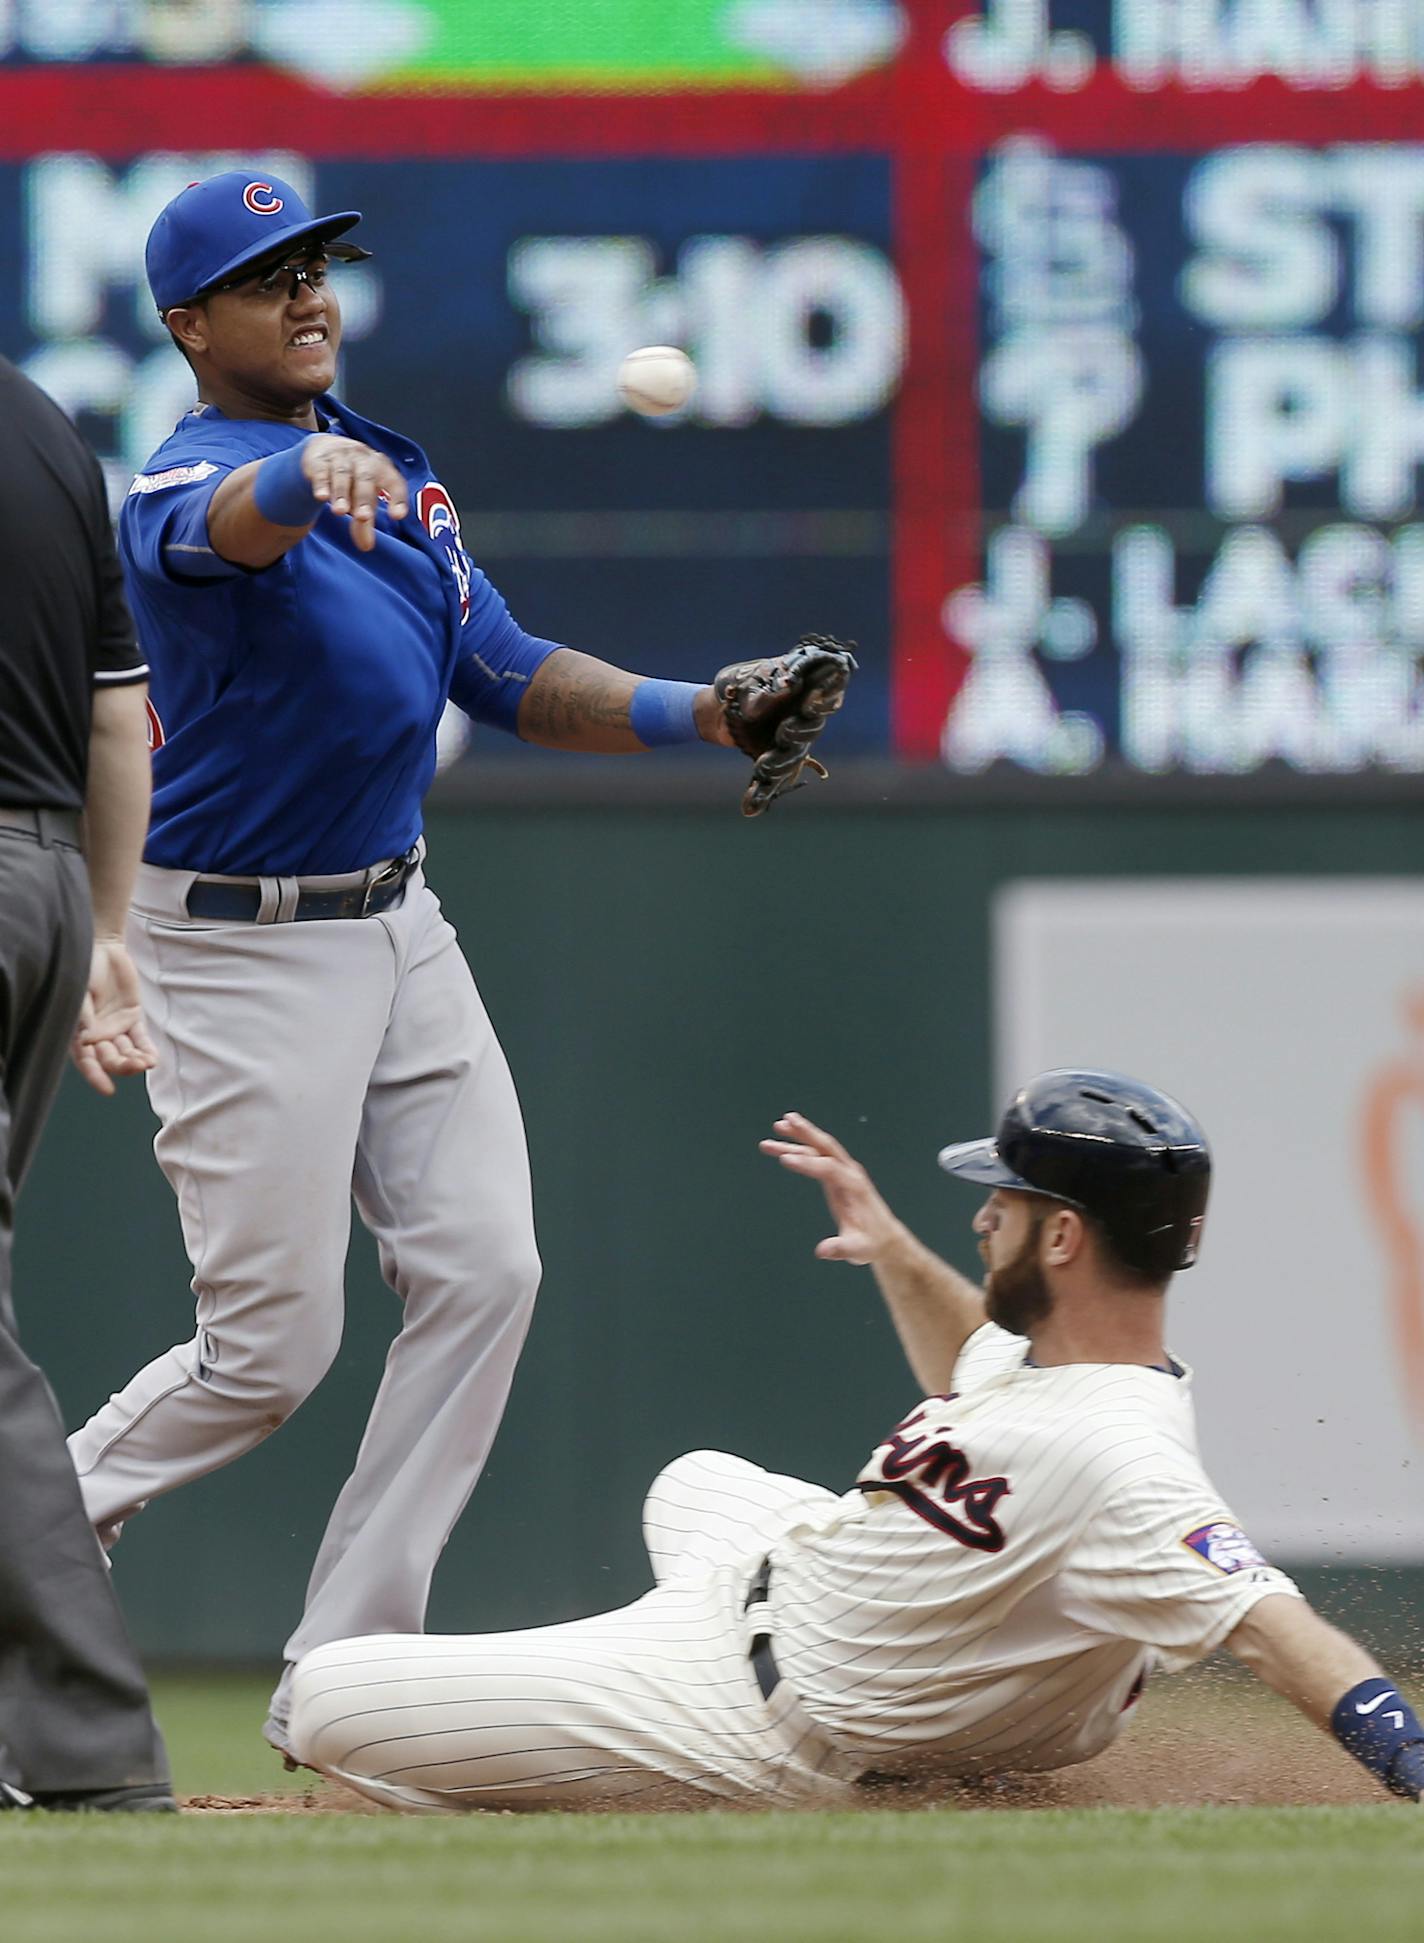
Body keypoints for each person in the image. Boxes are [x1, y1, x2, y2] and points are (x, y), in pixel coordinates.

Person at [65, 170, 814, 1765]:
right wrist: (295, 481)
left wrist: (714, 708)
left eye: (319, 267)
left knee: (488, 1269)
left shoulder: (399, 476)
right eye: (268, 279)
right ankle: (34, 1533)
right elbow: (213, 531)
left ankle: (344, 1673)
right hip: (236, 942)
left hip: (399, 920)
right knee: (268, 1349)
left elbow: (515, 670)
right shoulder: (190, 479)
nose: (309, 295)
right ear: (193, 324)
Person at [287, 1071, 1424, 1813]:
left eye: (1007, 1201)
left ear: (1064, 1234)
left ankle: (608, 1789)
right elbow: (970, 1354)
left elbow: (1276, 1632)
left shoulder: (1120, 1459)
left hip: (746, 1709)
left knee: (329, 1695)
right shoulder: (1055, 1368)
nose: (983, 1214)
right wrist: (887, 1246)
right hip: (769, 1585)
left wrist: (1405, 1757)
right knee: (693, 1479)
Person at [0, 355, 174, 1813]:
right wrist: (105, 930)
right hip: (47, 880)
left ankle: (87, 1740)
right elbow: (122, 719)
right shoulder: (45, 428)